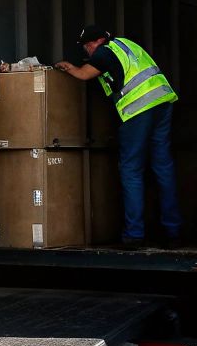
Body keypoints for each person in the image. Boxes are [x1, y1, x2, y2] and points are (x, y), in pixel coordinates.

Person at [55, 25, 182, 247]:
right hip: (162, 102)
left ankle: (134, 235)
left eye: (86, 47)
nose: (87, 52)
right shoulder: (126, 44)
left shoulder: (104, 52)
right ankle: (173, 232)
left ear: (93, 43)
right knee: (163, 167)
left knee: (131, 170)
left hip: (139, 108)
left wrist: (69, 67)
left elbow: (85, 74)